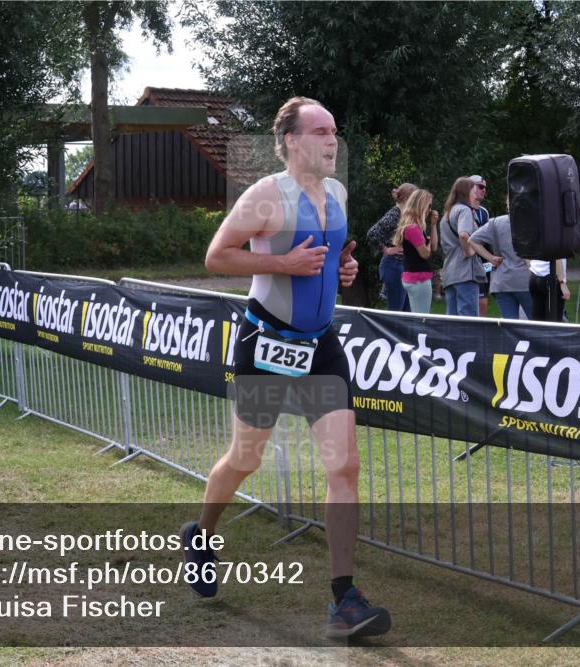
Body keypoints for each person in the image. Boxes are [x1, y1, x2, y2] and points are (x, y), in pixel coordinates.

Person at [192, 97, 390, 639]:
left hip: (320, 345)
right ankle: (202, 534)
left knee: (344, 465)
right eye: (322, 131)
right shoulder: (264, 196)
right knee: (245, 458)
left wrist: (343, 268)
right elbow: (216, 256)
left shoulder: (338, 193)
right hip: (265, 342)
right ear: (292, 141)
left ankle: (343, 599)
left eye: (335, 131)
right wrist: (281, 262)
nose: (333, 140)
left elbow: (329, 260)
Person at [469, 199, 533, 320]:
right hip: (525, 280)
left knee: (510, 326)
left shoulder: (495, 223)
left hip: (502, 281)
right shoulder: (532, 223)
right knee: (536, 324)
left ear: (507, 204)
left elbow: (472, 240)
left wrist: (491, 258)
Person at [366, 183, 419, 311]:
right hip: (394, 266)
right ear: (406, 198)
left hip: (404, 267)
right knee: (397, 311)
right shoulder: (394, 215)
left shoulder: (405, 216)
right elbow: (372, 233)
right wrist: (386, 249)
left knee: (407, 312)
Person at [439, 177, 486, 316]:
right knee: (468, 319)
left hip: (450, 272)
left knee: (452, 319)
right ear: (467, 192)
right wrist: (469, 251)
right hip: (465, 272)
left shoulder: (447, 214)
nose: (475, 193)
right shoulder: (465, 210)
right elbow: (464, 234)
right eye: (473, 190)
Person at [393, 188, 438, 313]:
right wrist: (427, 242)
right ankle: (418, 334)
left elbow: (434, 247)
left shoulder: (415, 226)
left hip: (414, 278)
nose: (429, 210)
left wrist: (434, 225)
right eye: (428, 206)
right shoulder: (413, 228)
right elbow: (425, 253)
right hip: (419, 279)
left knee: (417, 315)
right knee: (422, 318)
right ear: (421, 205)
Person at [469, 175, 492, 316]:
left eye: (485, 187)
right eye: (480, 186)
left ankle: (480, 329)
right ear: (470, 187)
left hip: (483, 261)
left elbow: (486, 238)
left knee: (483, 301)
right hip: (467, 260)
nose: (484, 190)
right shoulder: (461, 209)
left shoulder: (484, 212)